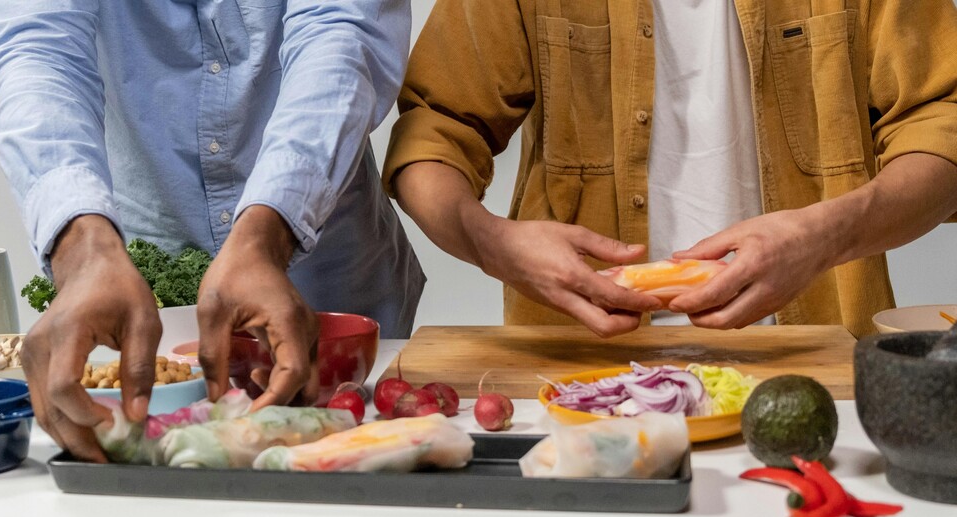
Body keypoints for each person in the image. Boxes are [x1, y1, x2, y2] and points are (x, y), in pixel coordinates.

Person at [0, 0, 424, 461]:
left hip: (329, 289)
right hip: (136, 293)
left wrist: (271, 229)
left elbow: (341, 31)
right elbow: (32, 50)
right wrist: (83, 251)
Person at [383, 0, 957, 339]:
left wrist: (825, 236)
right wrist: (491, 244)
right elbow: (434, 128)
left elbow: (942, 123)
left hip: (817, 358)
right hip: (579, 373)